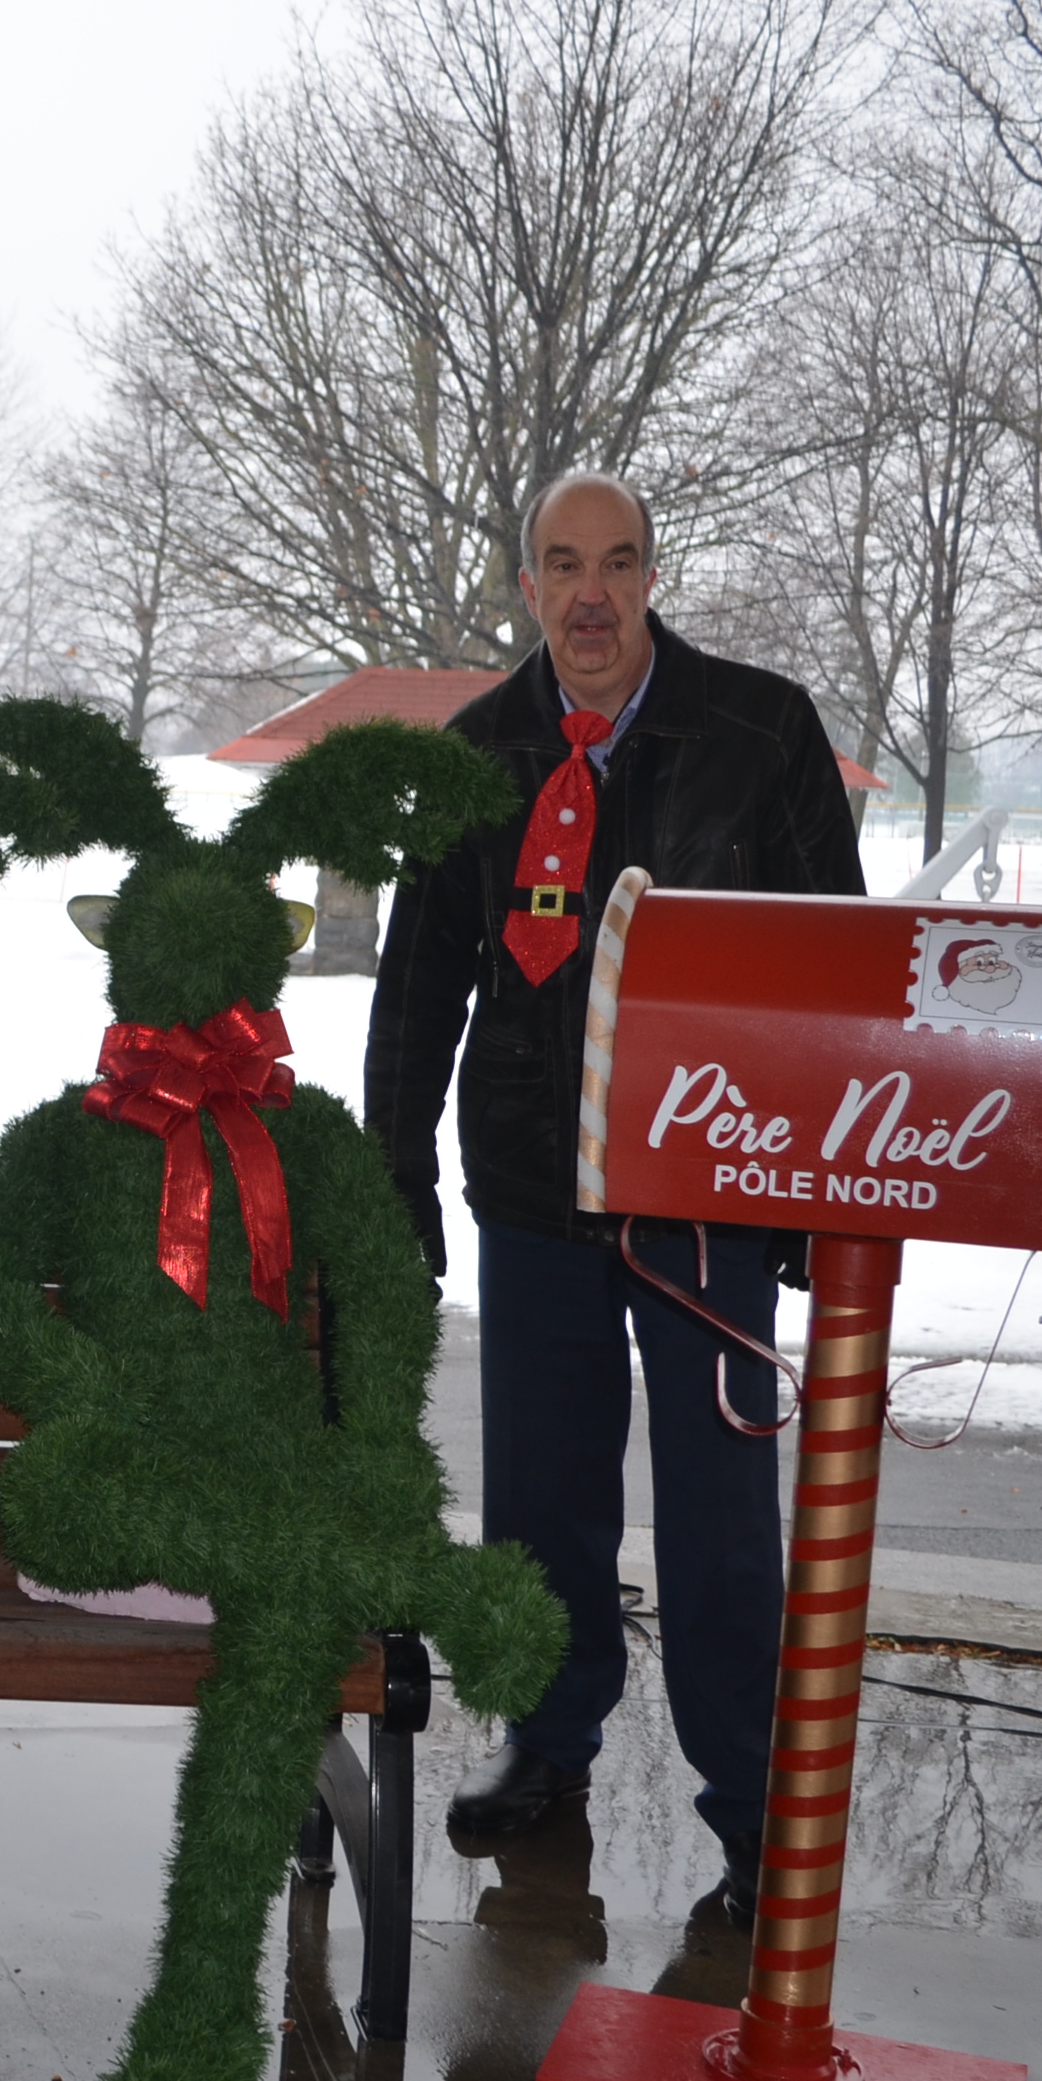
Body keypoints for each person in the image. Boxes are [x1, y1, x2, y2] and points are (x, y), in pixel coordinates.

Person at [363, 469, 865, 1925]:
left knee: (720, 1514)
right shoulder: (476, 754)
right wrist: (399, 1173)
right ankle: (545, 1740)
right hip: (534, 1194)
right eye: (565, 565)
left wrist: (814, 1196)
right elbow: (417, 986)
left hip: (708, 1188)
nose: (592, 594)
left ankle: (752, 1794)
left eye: (620, 562)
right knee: (541, 1502)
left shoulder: (761, 732)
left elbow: (834, 968)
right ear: (528, 585)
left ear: (653, 576)